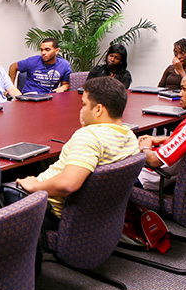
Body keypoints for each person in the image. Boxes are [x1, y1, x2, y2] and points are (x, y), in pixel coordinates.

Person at [16, 77, 139, 228]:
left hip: (48, 208)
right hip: (95, 216)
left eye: (84, 104)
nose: (81, 110)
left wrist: (35, 186)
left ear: (98, 109)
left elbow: (68, 184)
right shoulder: (130, 137)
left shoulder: (89, 137)